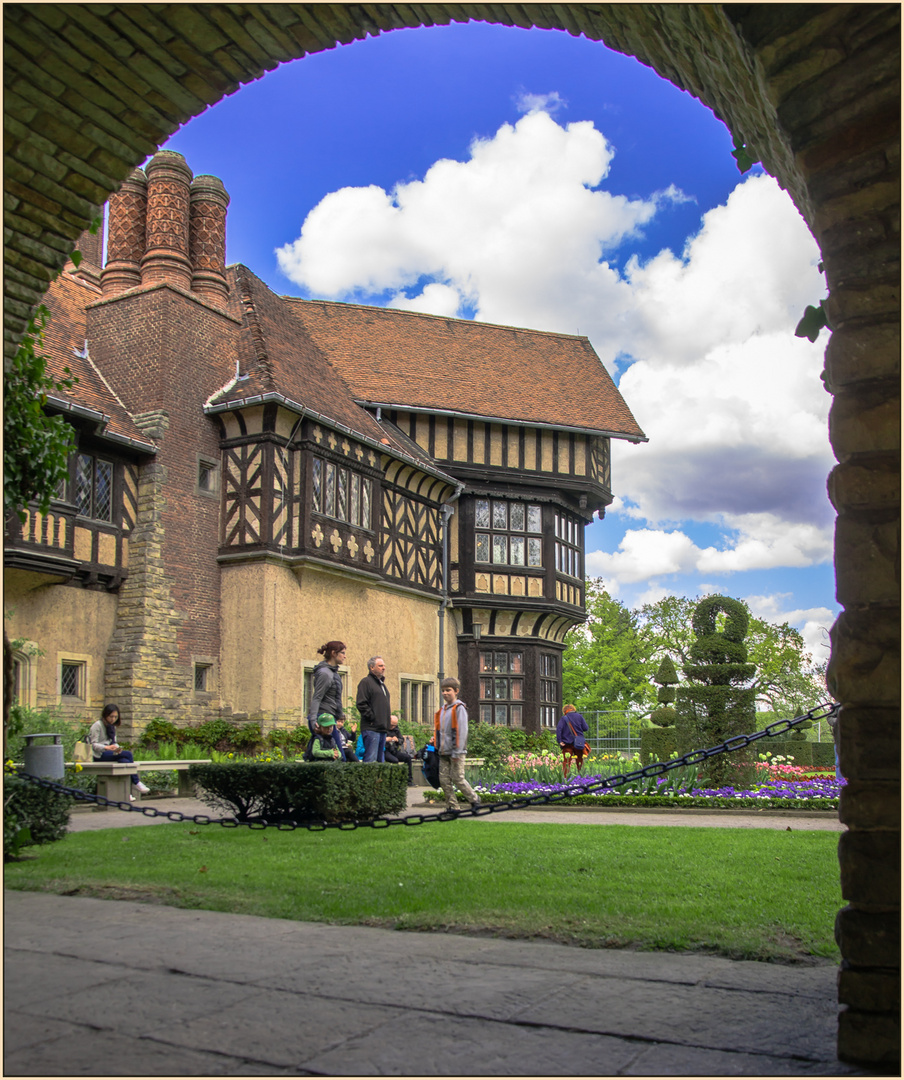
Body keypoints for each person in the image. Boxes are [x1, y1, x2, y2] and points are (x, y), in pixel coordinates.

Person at [435, 677, 480, 812]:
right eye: (443, 691)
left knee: (458, 779)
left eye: (448, 690)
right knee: (444, 781)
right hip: (443, 751)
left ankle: (474, 799)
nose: (445, 693)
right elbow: (441, 731)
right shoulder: (442, 710)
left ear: (456, 691)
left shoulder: (459, 708)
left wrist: (457, 751)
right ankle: (453, 807)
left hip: (456, 751)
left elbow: (461, 730)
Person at [87, 704, 149, 800]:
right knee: (128, 754)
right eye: (111, 716)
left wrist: (117, 748)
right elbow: (93, 745)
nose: (113, 719)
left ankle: (126, 793)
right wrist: (107, 747)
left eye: (115, 717)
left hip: (109, 753)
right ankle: (136, 783)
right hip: (99, 755)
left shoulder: (112, 727)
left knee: (125, 761)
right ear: (105, 715)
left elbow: (114, 742)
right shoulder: (97, 725)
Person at [307, 640, 347, 759]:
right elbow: (317, 697)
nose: (345, 656)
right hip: (323, 718)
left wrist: (339, 714)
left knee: (334, 756)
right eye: (343, 653)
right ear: (334, 653)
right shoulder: (325, 673)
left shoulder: (333, 673)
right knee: (339, 757)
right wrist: (314, 720)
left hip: (330, 717)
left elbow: (336, 697)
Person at [356, 656, 391, 762]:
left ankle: (379, 779)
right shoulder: (366, 682)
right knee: (371, 760)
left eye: (384, 666)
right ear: (371, 667)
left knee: (381, 761)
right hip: (371, 729)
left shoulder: (382, 686)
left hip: (382, 729)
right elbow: (361, 703)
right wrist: (372, 718)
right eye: (380, 666)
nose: (383, 668)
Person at [556, 704, 589, 778]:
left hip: (567, 743)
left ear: (564, 711)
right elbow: (586, 728)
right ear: (574, 709)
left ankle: (565, 778)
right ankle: (582, 777)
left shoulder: (564, 718)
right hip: (578, 743)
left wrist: (560, 741)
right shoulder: (579, 716)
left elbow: (559, 729)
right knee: (580, 761)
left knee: (566, 762)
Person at [384, 714, 415, 784]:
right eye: (391, 725)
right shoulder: (383, 727)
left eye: (394, 725)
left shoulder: (396, 729)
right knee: (395, 760)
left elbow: (401, 740)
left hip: (394, 750)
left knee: (408, 758)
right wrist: (385, 740)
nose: (393, 727)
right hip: (385, 750)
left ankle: (409, 780)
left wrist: (397, 740)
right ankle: (394, 781)